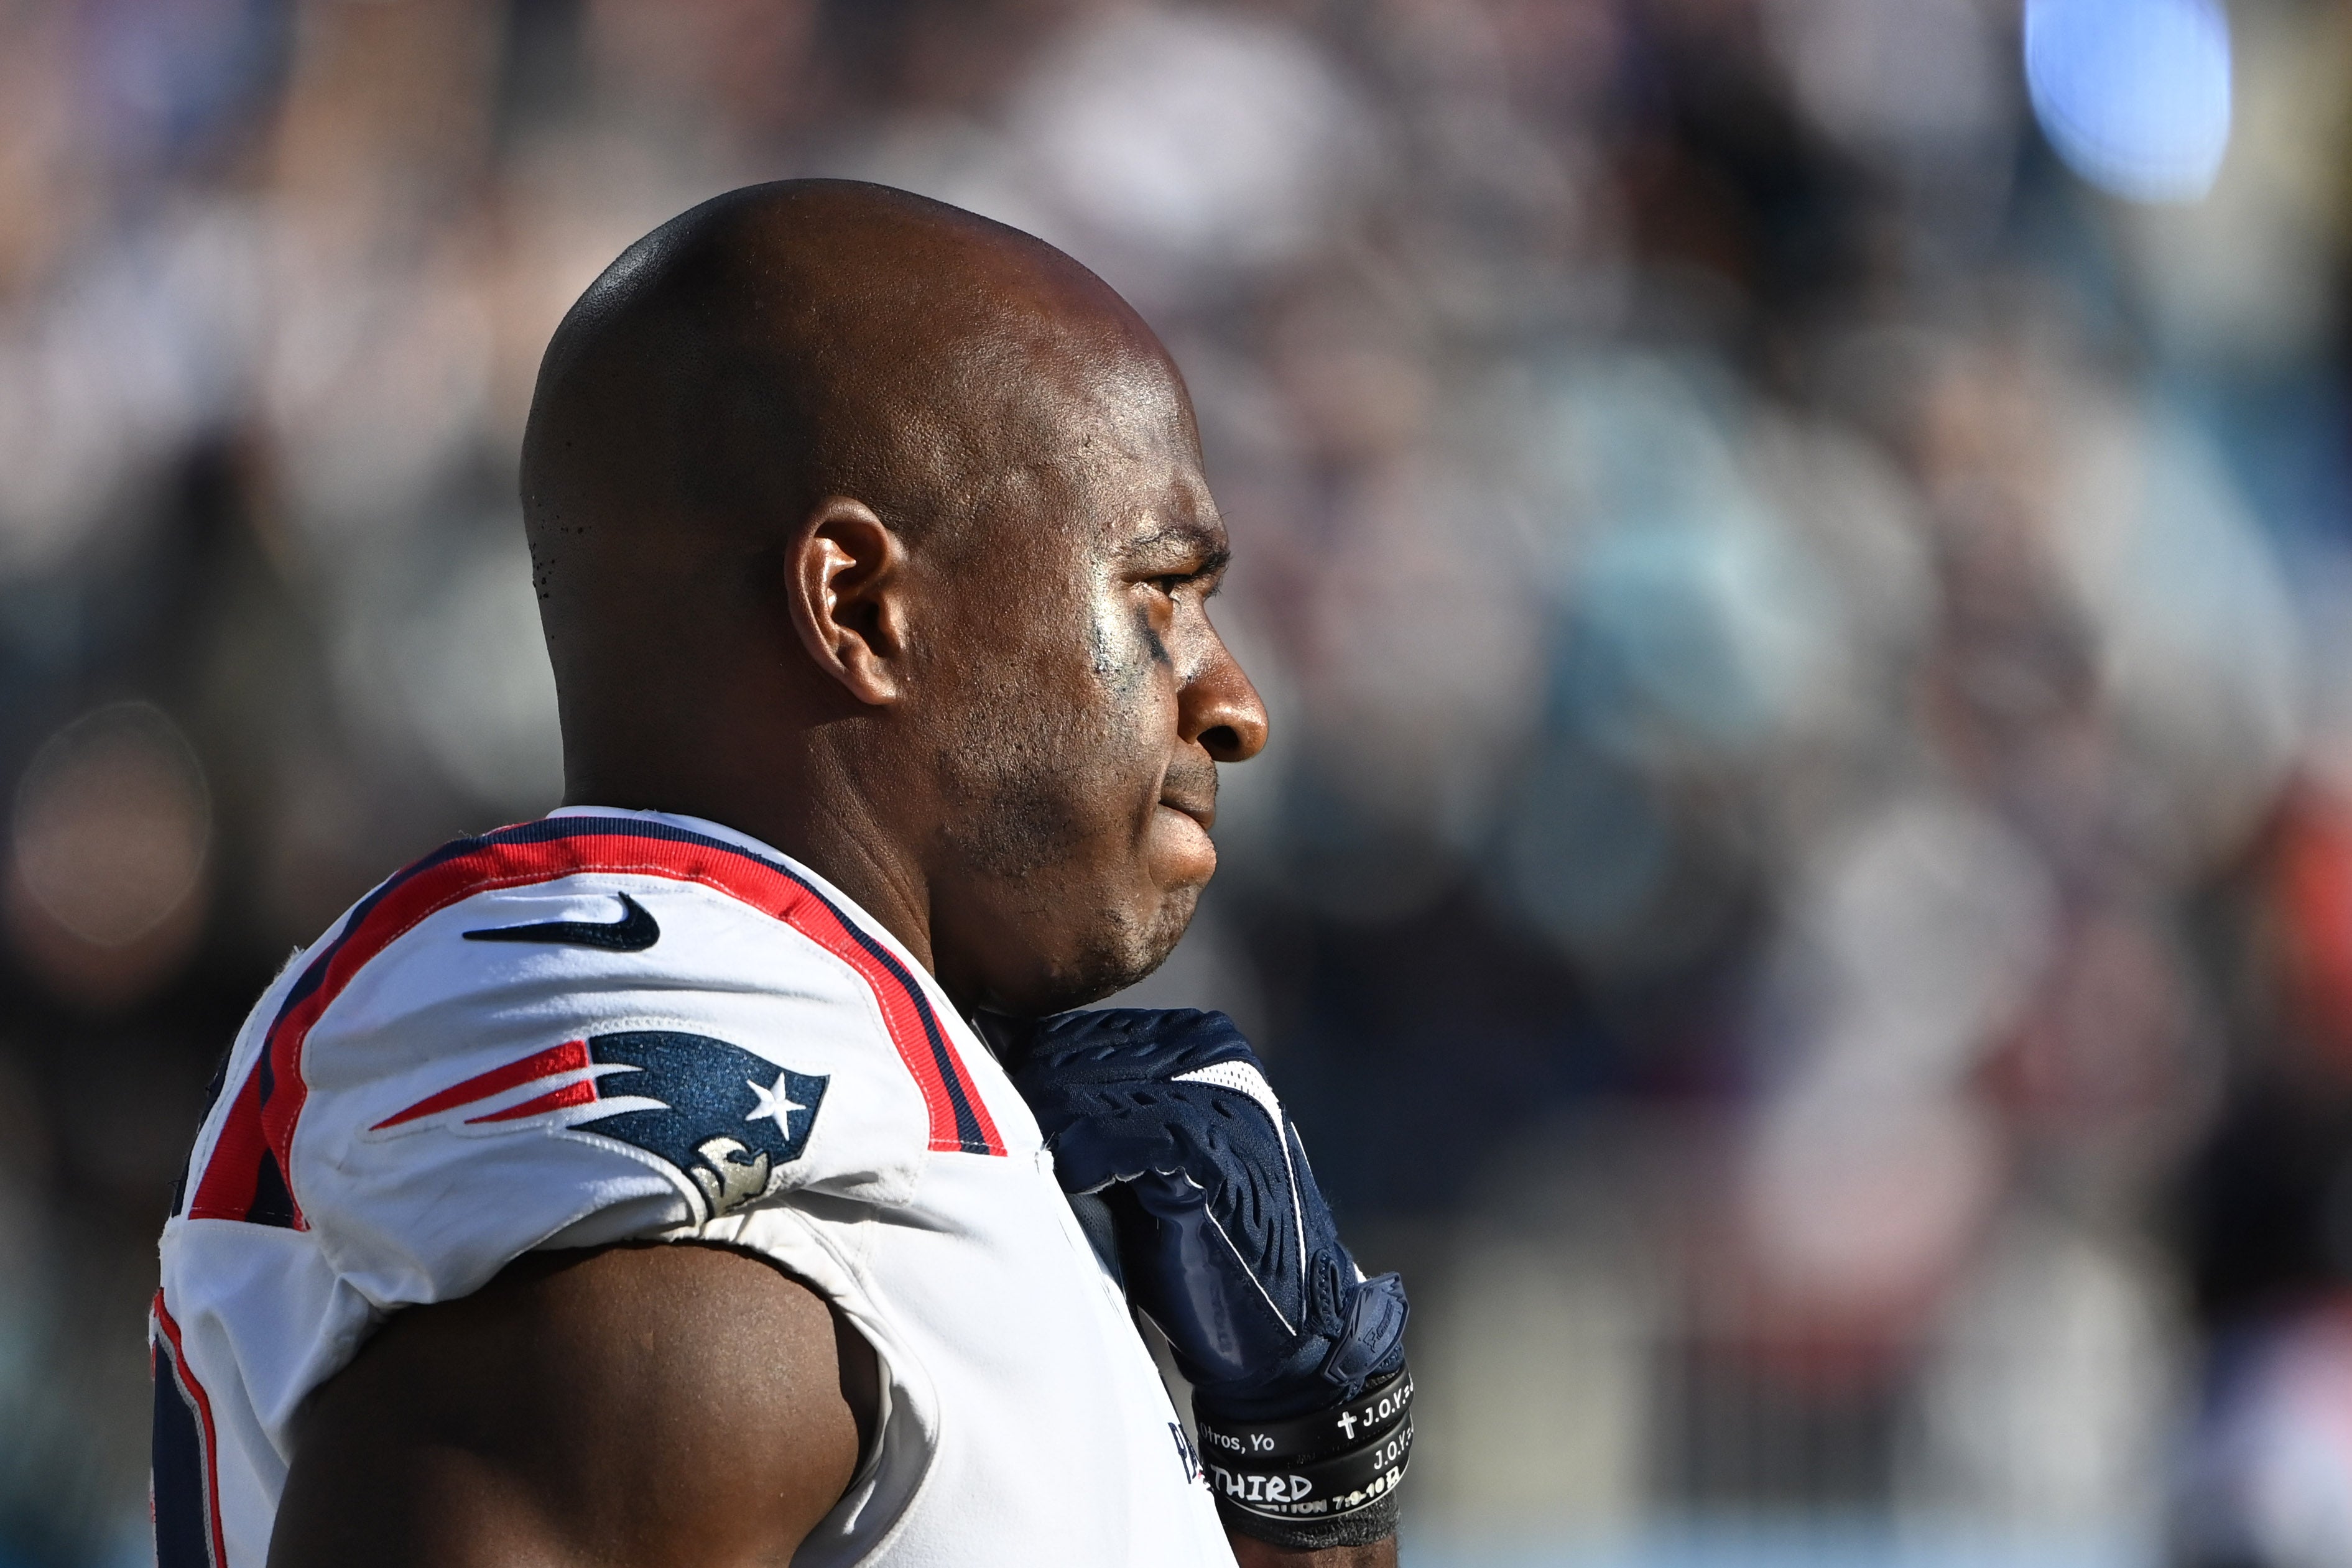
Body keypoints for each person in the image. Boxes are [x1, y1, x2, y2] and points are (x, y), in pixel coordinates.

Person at [152, 180, 1412, 1567]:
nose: (1234, 701)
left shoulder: (863, 1162)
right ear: (862, 610)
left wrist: (1312, 1496)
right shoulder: (702, 1263)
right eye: (1159, 590)